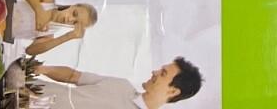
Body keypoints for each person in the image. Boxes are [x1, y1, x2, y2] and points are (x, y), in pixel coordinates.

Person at [29, 58, 203, 107]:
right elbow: (74, 76)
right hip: (23, 90)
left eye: (163, 74)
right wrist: (44, 69)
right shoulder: (122, 85)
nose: (155, 72)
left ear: (173, 91)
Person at [13, 0, 99, 58]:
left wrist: (67, 37)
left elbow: (30, 51)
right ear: (73, 5)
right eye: (74, 13)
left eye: (74, 23)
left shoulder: (49, 33)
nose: (69, 19)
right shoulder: (50, 1)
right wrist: (39, 10)